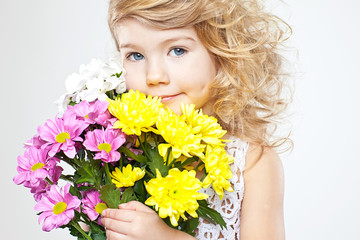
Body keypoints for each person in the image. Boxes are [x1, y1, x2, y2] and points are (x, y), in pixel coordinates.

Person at [101, 0, 291, 239]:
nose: (154, 76)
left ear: (223, 52)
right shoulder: (117, 149)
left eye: (177, 50)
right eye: (135, 55)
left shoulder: (252, 164)